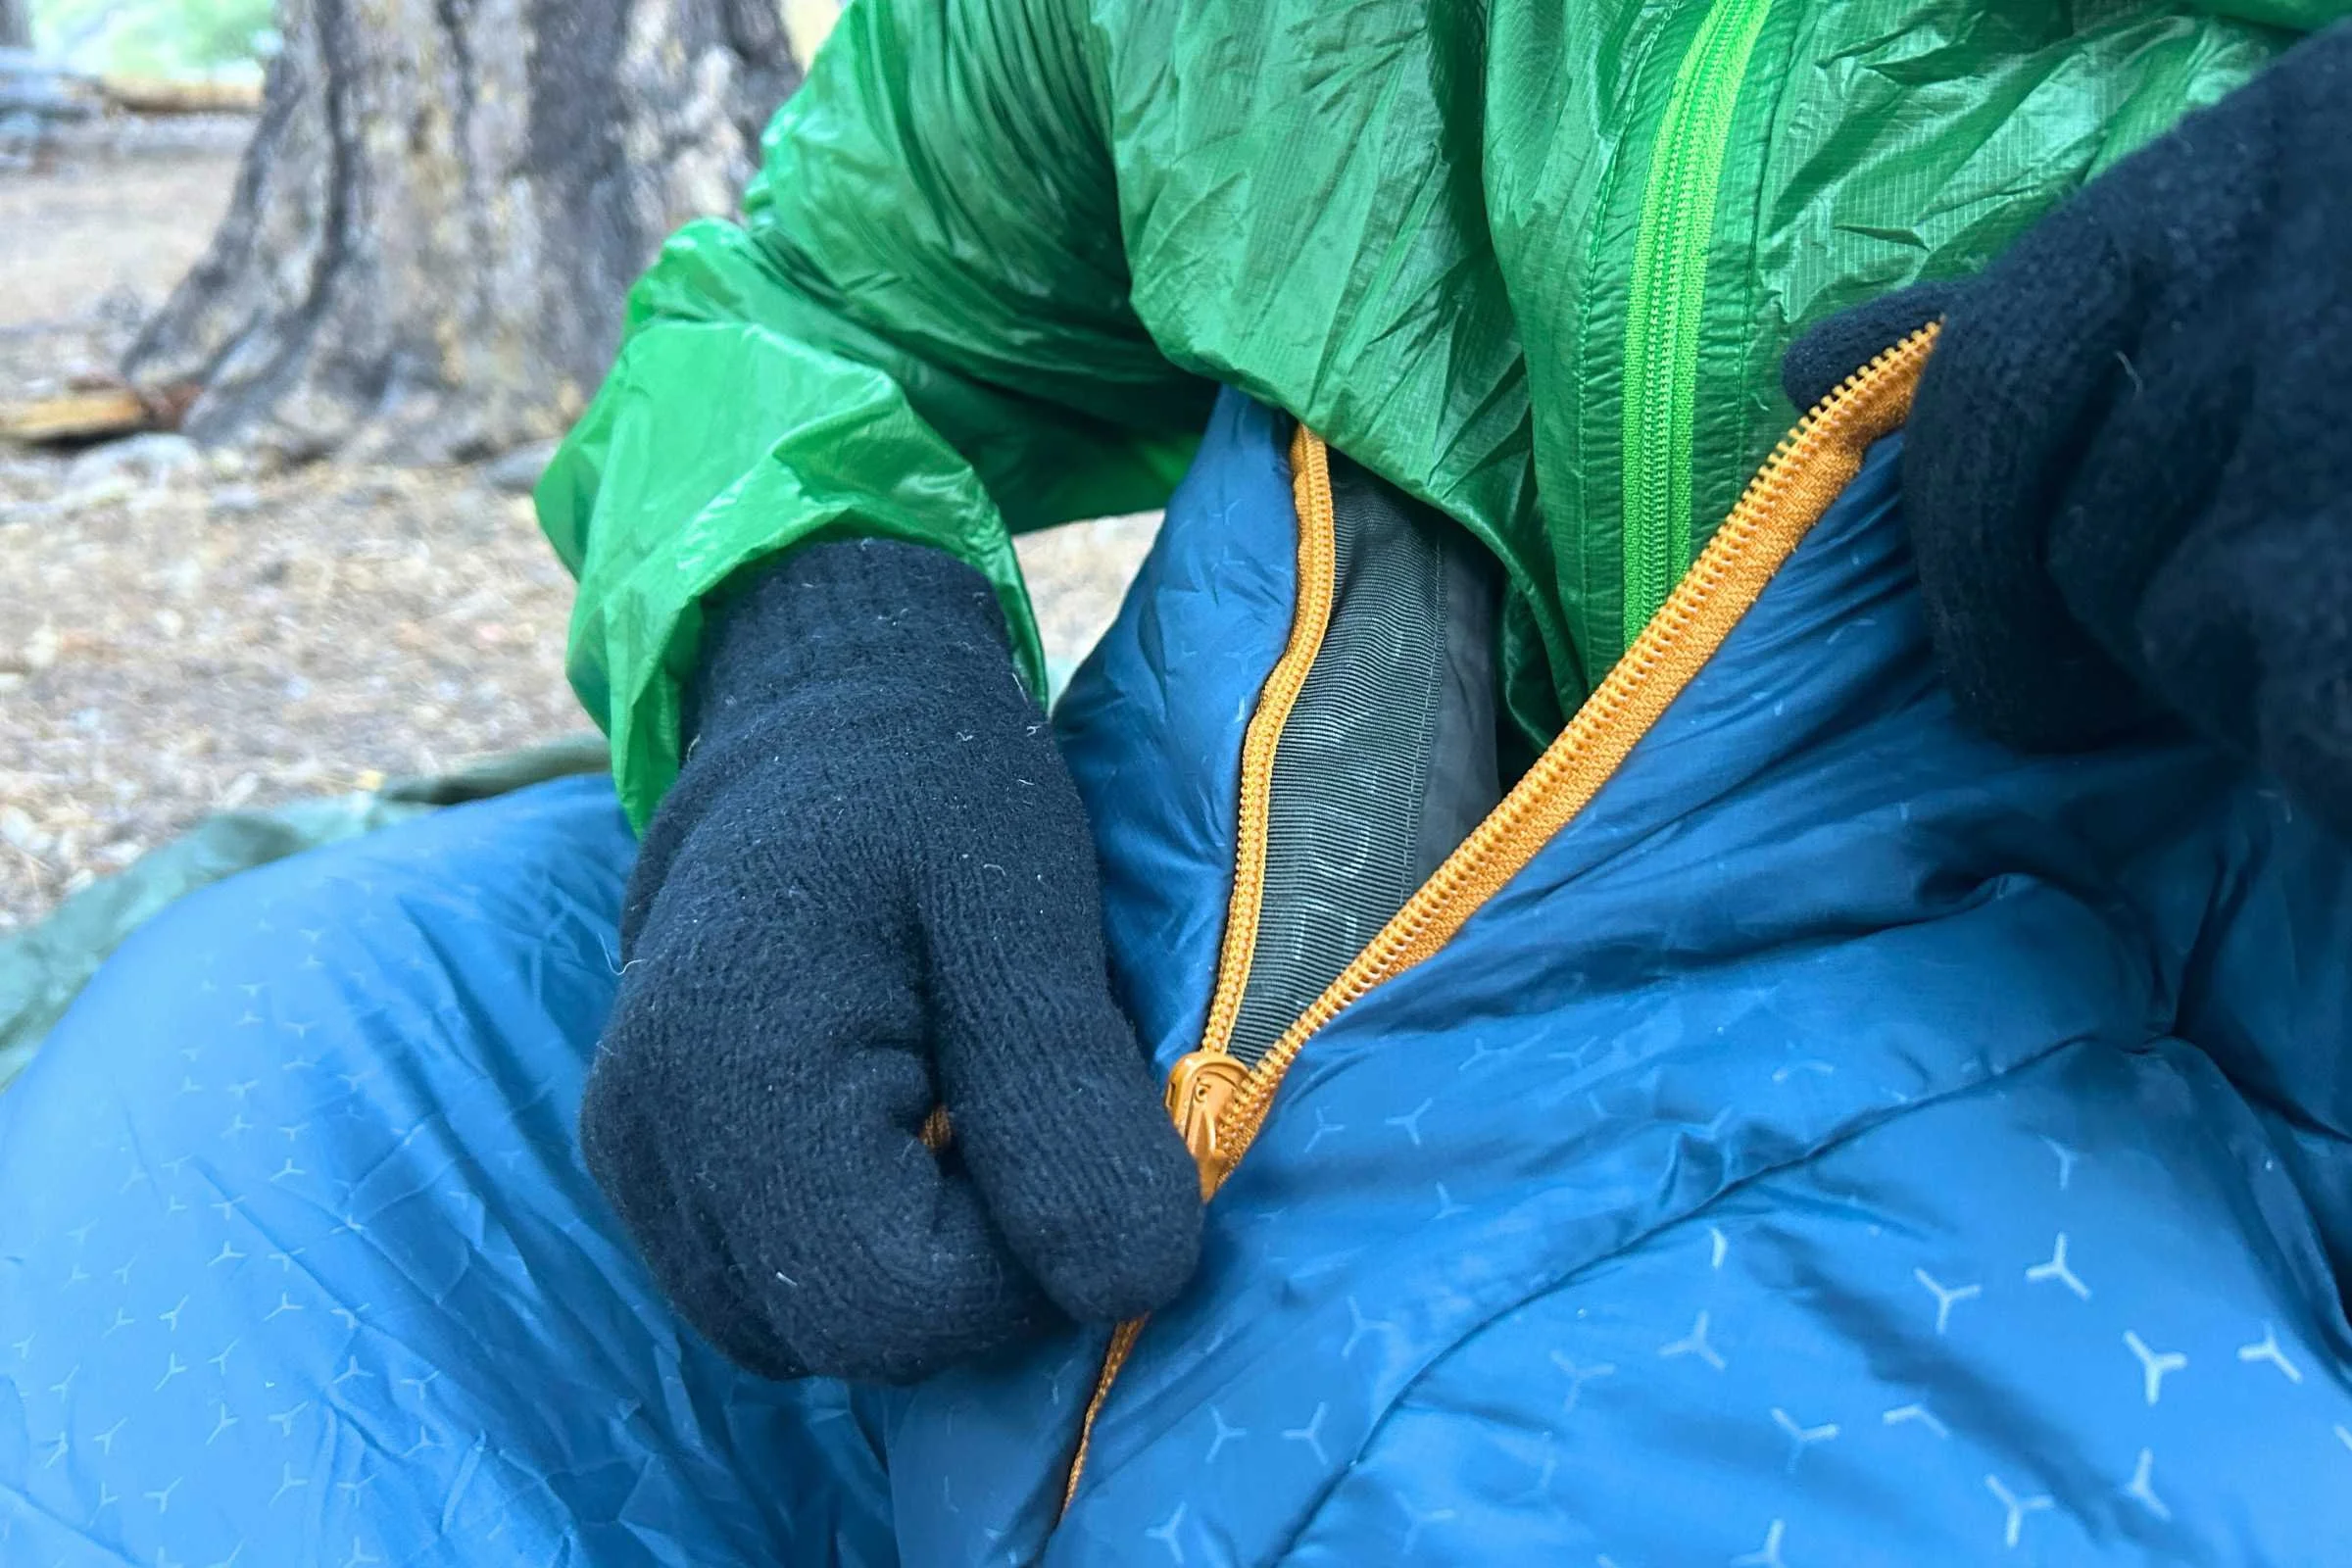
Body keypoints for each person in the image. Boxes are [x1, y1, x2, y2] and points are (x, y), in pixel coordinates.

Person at [3, 1, 2347, 1562]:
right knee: (244, 1106)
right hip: (1218, 1030)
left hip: (2086, 1183)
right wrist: (818, 658)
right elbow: (813, 302)